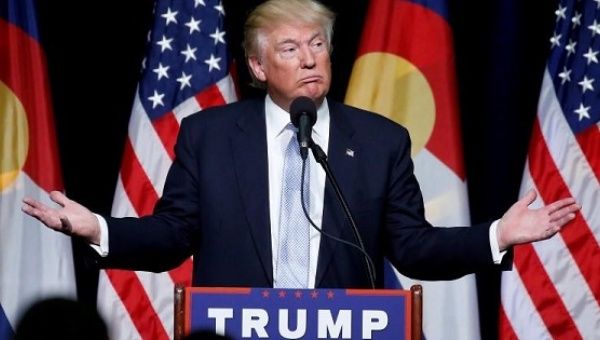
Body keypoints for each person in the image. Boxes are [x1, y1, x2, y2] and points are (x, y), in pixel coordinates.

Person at [22, 0, 579, 289]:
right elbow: (172, 237)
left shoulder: (381, 140)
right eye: (290, 49)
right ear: (259, 67)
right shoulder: (210, 136)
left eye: (317, 44)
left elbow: (412, 248)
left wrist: (498, 235)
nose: (311, 58)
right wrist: (97, 227)